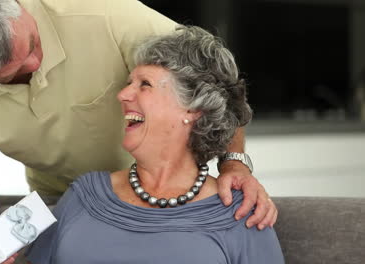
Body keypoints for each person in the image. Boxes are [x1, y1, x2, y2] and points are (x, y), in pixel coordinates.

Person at [0, 0, 277, 263]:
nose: (36, 64)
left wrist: (234, 166)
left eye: (32, 45)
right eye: (12, 72)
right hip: (68, 199)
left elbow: (218, 81)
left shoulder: (106, 14)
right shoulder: (80, 198)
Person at [25, 25, 283, 264]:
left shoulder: (243, 212)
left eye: (144, 85)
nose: (123, 95)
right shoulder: (83, 196)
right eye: (129, 83)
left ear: (193, 109)